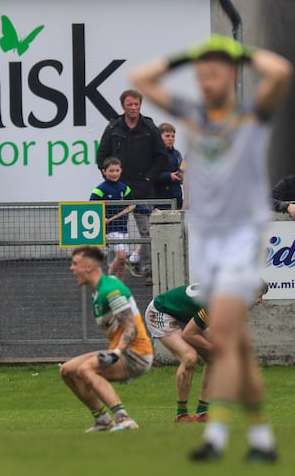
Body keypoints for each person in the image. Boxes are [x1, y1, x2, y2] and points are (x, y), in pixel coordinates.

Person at [130, 34, 292, 462]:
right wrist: (200, 56)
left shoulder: (248, 117)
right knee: (193, 358)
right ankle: (185, 415)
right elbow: (140, 77)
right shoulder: (195, 115)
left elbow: (280, 72)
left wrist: (239, 53)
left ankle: (208, 419)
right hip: (163, 314)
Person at [60, 246, 153, 432]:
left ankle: (123, 419)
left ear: (88, 267)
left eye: (75, 264)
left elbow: (131, 328)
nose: (71, 268)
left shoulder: (109, 290)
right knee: (67, 370)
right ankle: (102, 420)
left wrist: (116, 354)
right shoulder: (100, 288)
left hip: (136, 354)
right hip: (121, 351)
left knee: (86, 369)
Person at [96, 90, 169, 285]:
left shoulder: (149, 127)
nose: (134, 108)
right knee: (114, 231)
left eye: (137, 104)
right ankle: (114, 275)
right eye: (130, 104)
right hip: (116, 191)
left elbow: (161, 156)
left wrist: (148, 178)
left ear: (140, 105)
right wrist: (111, 177)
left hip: (142, 189)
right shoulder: (113, 127)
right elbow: (101, 155)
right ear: (123, 106)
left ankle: (148, 270)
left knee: (146, 231)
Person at [144, 283, 212, 423]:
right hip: (159, 312)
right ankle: (182, 414)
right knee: (189, 358)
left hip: (178, 313)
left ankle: (202, 413)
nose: (260, 300)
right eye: (258, 295)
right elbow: (189, 334)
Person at [90, 157, 136, 281]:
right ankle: (107, 281)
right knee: (121, 257)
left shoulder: (124, 188)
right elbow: (91, 207)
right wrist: (101, 217)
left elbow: (133, 205)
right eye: (111, 171)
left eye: (117, 170)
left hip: (123, 228)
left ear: (121, 171)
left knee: (121, 263)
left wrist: (150, 211)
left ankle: (119, 287)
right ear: (104, 172)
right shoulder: (100, 189)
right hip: (110, 230)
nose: (114, 173)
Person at [155, 122, 185, 209]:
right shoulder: (154, 154)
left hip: (177, 198)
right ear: (159, 137)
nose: (170, 139)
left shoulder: (177, 154)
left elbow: (183, 169)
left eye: (173, 136)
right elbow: (151, 175)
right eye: (167, 136)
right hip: (161, 200)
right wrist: (169, 176)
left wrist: (182, 176)